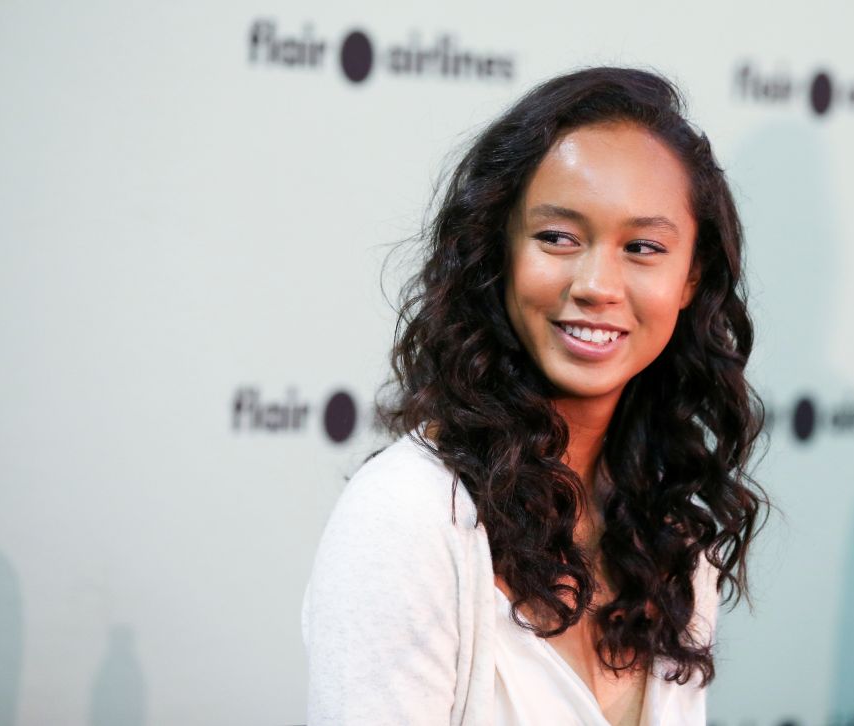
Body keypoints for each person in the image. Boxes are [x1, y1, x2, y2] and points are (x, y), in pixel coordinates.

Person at [302, 66, 766, 726]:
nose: (596, 284)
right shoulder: (410, 516)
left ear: (691, 277)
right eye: (558, 237)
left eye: (642, 246)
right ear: (500, 250)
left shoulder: (674, 540)